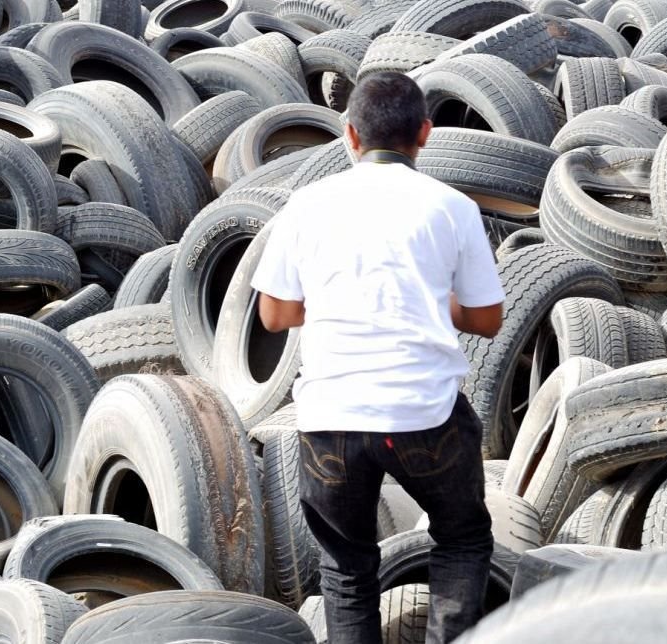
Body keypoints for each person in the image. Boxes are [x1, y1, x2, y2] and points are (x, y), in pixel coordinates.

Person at [250, 71, 505, 644]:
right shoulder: (453, 207)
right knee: (461, 539)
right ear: (425, 133)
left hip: (330, 420)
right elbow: (488, 321)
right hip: (424, 417)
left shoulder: (306, 204)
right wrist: (438, 307)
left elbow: (274, 316)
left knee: (346, 570)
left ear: (350, 135)